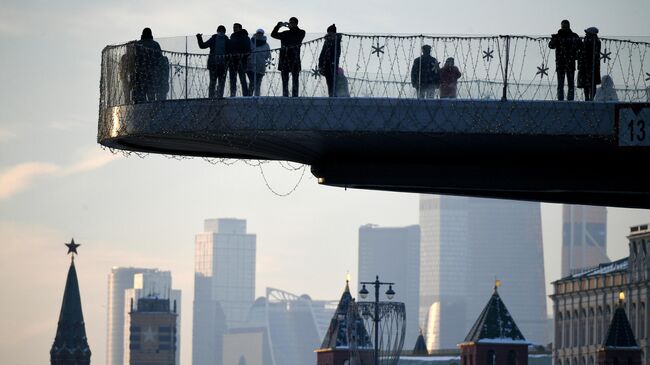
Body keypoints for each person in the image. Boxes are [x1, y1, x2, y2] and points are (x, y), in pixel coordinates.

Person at [271, 17, 306, 97]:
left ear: (296, 24)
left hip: (294, 59)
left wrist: (291, 28)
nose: (290, 24)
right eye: (290, 22)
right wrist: (278, 26)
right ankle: (285, 96)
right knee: (285, 80)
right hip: (284, 59)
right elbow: (273, 35)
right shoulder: (285, 33)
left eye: (292, 23)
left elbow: (296, 39)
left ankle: (295, 96)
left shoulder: (301, 32)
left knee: (295, 79)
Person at [548, 20, 581, 101]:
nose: (564, 28)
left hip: (566, 62)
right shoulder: (562, 36)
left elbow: (580, 45)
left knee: (568, 84)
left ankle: (567, 99)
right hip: (562, 63)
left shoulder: (571, 36)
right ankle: (562, 99)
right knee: (562, 84)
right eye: (563, 26)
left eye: (565, 26)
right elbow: (551, 46)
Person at [196, 25, 229, 98]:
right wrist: (199, 38)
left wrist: (199, 38)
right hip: (219, 65)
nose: (220, 32)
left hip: (216, 65)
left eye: (221, 31)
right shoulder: (224, 40)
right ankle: (217, 97)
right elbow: (202, 46)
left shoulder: (215, 39)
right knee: (220, 83)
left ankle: (212, 97)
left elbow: (202, 46)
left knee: (214, 82)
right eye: (220, 31)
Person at [133, 27, 163, 103]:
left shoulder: (137, 44)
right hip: (152, 74)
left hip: (140, 74)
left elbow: (133, 59)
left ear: (142, 34)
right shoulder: (155, 45)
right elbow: (160, 59)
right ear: (151, 34)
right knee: (151, 96)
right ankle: (152, 110)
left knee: (140, 97)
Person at [227, 23, 251, 96]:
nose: (234, 29)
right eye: (233, 27)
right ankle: (233, 94)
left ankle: (245, 95)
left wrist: (243, 55)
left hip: (242, 61)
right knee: (232, 80)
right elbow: (229, 47)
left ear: (240, 28)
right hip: (232, 61)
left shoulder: (245, 36)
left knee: (242, 79)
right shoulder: (232, 36)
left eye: (236, 27)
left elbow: (248, 49)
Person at [318, 24, 342, 97]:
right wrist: (320, 64)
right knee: (329, 81)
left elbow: (336, 53)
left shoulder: (336, 42)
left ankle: (333, 96)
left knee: (332, 81)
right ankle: (331, 95)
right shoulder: (327, 42)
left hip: (332, 64)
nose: (328, 34)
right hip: (326, 65)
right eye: (328, 32)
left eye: (330, 33)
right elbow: (322, 53)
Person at [246, 29, 272, 96]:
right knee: (253, 82)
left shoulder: (265, 44)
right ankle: (250, 96)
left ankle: (255, 97)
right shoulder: (251, 42)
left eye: (261, 33)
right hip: (251, 66)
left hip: (259, 67)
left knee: (257, 83)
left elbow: (268, 56)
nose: (259, 34)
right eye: (258, 33)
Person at [578, 27, 601, 101]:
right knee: (588, 83)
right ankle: (588, 98)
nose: (586, 34)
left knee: (590, 83)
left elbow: (586, 52)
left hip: (589, 65)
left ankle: (590, 98)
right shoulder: (590, 40)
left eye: (587, 33)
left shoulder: (594, 41)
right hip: (587, 65)